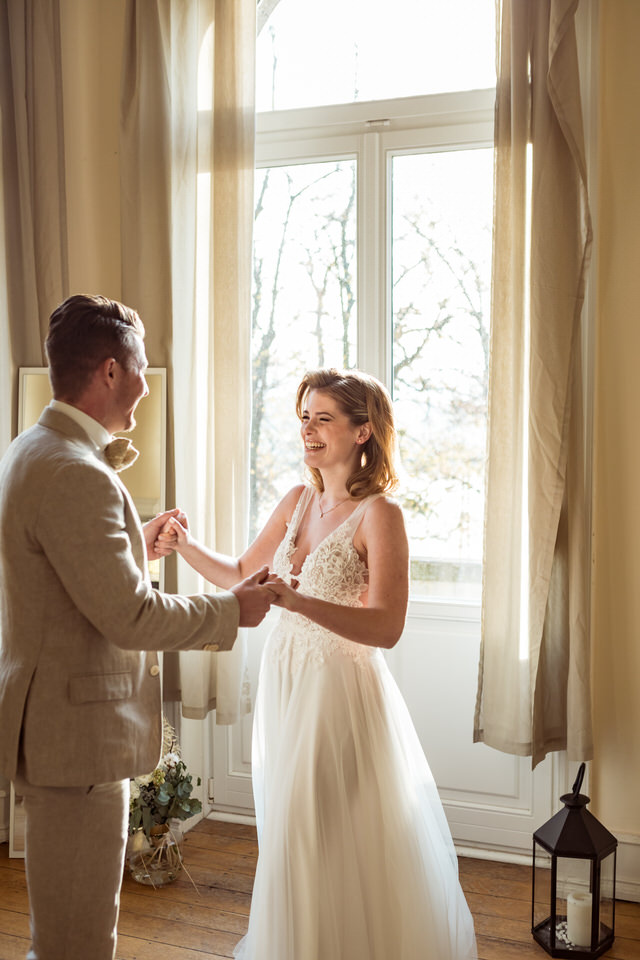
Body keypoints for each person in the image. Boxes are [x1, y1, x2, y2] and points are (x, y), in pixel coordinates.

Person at [157, 367, 478, 960]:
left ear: (363, 431)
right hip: (285, 680)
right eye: (304, 416)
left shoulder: (381, 515)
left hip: (339, 692)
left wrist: (297, 598)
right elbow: (240, 577)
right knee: (288, 829)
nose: (308, 429)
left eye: (323, 417)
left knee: (320, 827)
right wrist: (183, 546)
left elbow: (387, 625)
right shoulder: (297, 500)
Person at [0, 294, 273, 960]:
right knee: (77, 941)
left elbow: (66, 577)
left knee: (68, 929)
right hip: (78, 742)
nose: (149, 386)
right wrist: (234, 608)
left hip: (58, 731)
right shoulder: (75, 471)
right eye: (143, 368)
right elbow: (129, 615)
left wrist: (131, 547)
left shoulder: (31, 448)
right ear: (111, 372)